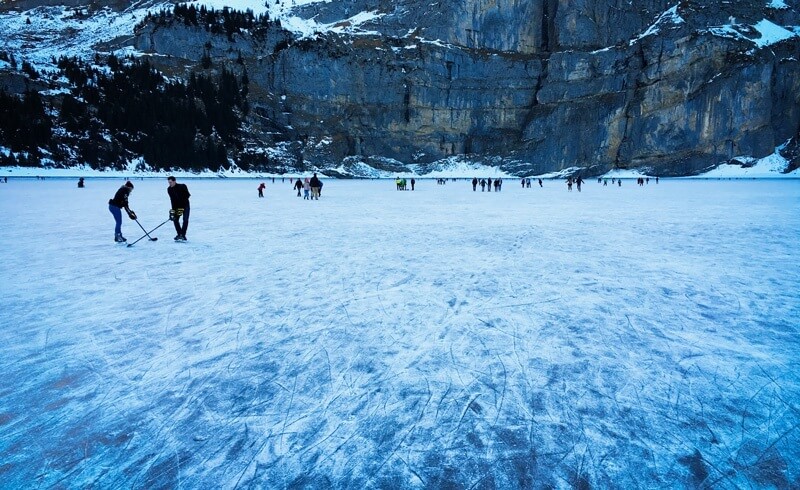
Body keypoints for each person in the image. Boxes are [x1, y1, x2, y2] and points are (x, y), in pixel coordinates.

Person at [167, 176, 191, 241]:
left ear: (174, 181)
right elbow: (172, 200)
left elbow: (188, 195)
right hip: (177, 207)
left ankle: (183, 235)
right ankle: (179, 234)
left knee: (185, 220)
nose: (170, 184)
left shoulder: (182, 186)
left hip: (185, 206)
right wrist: (173, 211)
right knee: (175, 219)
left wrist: (182, 206)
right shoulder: (169, 189)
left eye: (171, 182)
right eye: (169, 182)